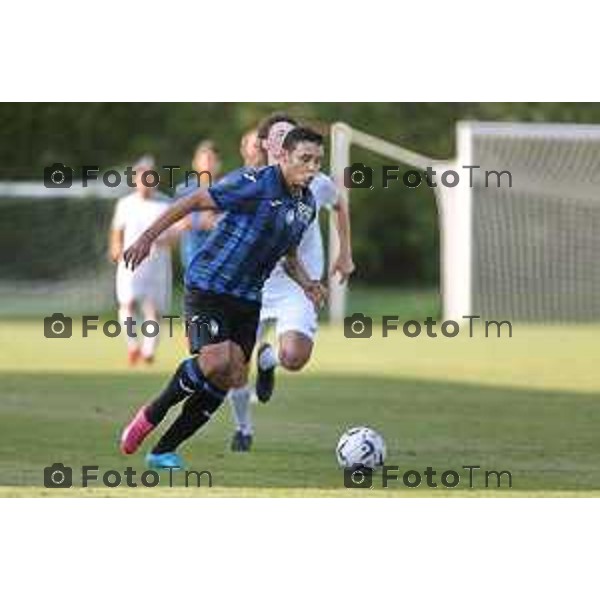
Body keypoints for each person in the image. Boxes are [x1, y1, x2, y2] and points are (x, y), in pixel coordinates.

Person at [119, 127, 327, 470]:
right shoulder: (256, 182)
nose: (312, 167)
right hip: (210, 284)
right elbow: (195, 201)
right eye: (305, 159)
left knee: (230, 374)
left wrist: (308, 283)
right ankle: (149, 415)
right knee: (216, 361)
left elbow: (288, 254)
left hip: (248, 297)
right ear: (285, 157)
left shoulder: (306, 204)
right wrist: (146, 238)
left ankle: (162, 451)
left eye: (318, 160)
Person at [229, 115, 355, 451]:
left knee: (295, 357)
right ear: (268, 145)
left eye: (290, 134)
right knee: (233, 367)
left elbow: (340, 204)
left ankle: (268, 360)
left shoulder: (315, 181)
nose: (286, 139)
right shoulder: (249, 183)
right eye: (279, 135)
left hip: (297, 285)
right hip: (251, 286)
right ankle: (243, 429)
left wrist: (345, 253)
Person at [109, 156, 173, 365]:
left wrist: (167, 239)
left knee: (152, 308)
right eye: (141, 177)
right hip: (130, 261)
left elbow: (174, 234)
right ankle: (132, 346)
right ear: (135, 179)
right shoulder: (125, 204)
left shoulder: (165, 203)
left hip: (156, 262)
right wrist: (116, 247)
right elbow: (117, 231)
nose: (145, 181)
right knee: (126, 303)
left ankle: (148, 351)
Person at [176, 141, 222, 269]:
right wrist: (199, 221)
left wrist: (214, 221)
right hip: (192, 257)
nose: (207, 164)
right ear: (195, 163)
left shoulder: (226, 188)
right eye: (203, 159)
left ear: (218, 164)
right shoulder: (184, 189)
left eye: (211, 159)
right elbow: (177, 223)